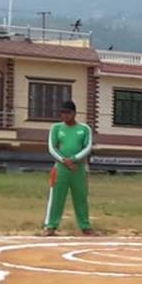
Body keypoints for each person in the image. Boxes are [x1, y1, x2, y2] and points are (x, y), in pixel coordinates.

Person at [43, 100, 95, 236]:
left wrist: (74, 159)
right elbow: (52, 147)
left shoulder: (84, 129)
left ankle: (85, 226)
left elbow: (88, 147)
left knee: (81, 197)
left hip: (78, 168)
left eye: (68, 112)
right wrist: (64, 161)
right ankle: (50, 226)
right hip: (61, 168)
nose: (65, 115)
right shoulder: (56, 128)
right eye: (62, 113)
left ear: (74, 113)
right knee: (56, 197)